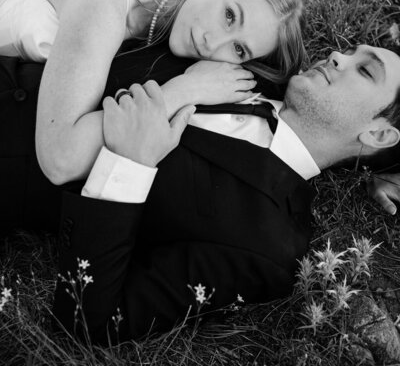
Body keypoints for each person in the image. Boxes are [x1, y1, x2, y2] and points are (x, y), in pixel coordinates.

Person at [49, 42, 400, 343]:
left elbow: (90, 320)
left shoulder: (266, 243)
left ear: (380, 135)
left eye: (366, 71)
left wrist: (130, 163)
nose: (337, 55)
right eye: (351, 51)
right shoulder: (255, 58)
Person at [0, 0, 306, 187]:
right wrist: (183, 91)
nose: (212, 44)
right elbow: (60, 159)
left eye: (239, 49)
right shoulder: (106, 6)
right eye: (229, 16)